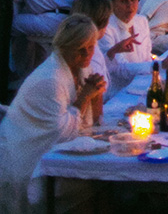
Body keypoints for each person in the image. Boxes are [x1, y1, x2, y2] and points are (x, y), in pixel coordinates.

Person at [0, 13, 106, 214]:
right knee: (98, 181)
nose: (86, 54)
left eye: (90, 47)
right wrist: (84, 96)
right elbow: (61, 133)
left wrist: (96, 95)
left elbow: (93, 122)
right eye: (79, 49)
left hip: (57, 150)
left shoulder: (80, 67)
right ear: (65, 47)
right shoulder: (51, 79)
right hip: (29, 158)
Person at [100, 0, 153, 67]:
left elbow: (147, 57)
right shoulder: (106, 28)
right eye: (124, 1)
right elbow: (121, 68)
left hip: (144, 76)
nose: (130, 5)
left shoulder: (142, 21)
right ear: (112, 4)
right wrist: (158, 66)